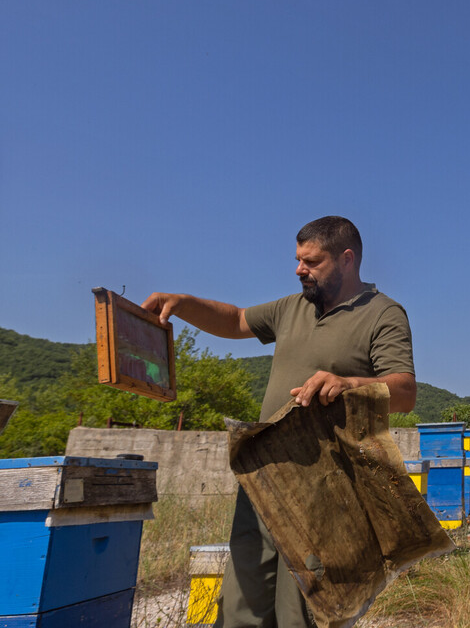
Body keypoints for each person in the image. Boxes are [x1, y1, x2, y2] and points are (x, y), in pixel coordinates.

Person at [143, 215, 416, 628]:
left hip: (324, 487)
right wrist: (182, 304)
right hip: (263, 477)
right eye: (297, 259)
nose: (298, 269)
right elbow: (235, 319)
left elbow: (405, 392)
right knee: (244, 599)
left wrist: (348, 382)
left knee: (302, 610)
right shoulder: (292, 307)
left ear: (346, 260)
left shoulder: (383, 314)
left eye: (311, 261)